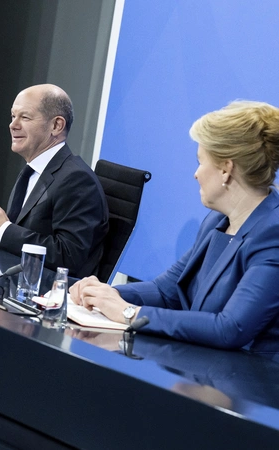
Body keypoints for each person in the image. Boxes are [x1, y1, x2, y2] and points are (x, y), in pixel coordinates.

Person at [70, 100, 279, 353]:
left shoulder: (272, 234)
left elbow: (230, 328)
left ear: (226, 169)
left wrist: (129, 313)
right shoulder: (216, 221)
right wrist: (104, 294)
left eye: (200, 161)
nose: (196, 174)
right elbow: (165, 290)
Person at [0, 84, 109, 278]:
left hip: (45, 291)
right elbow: (21, 233)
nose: (13, 125)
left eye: (25, 117)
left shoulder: (77, 179)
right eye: (13, 116)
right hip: (13, 279)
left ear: (56, 126)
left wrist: (2, 230)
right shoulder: (33, 171)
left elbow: (69, 256)